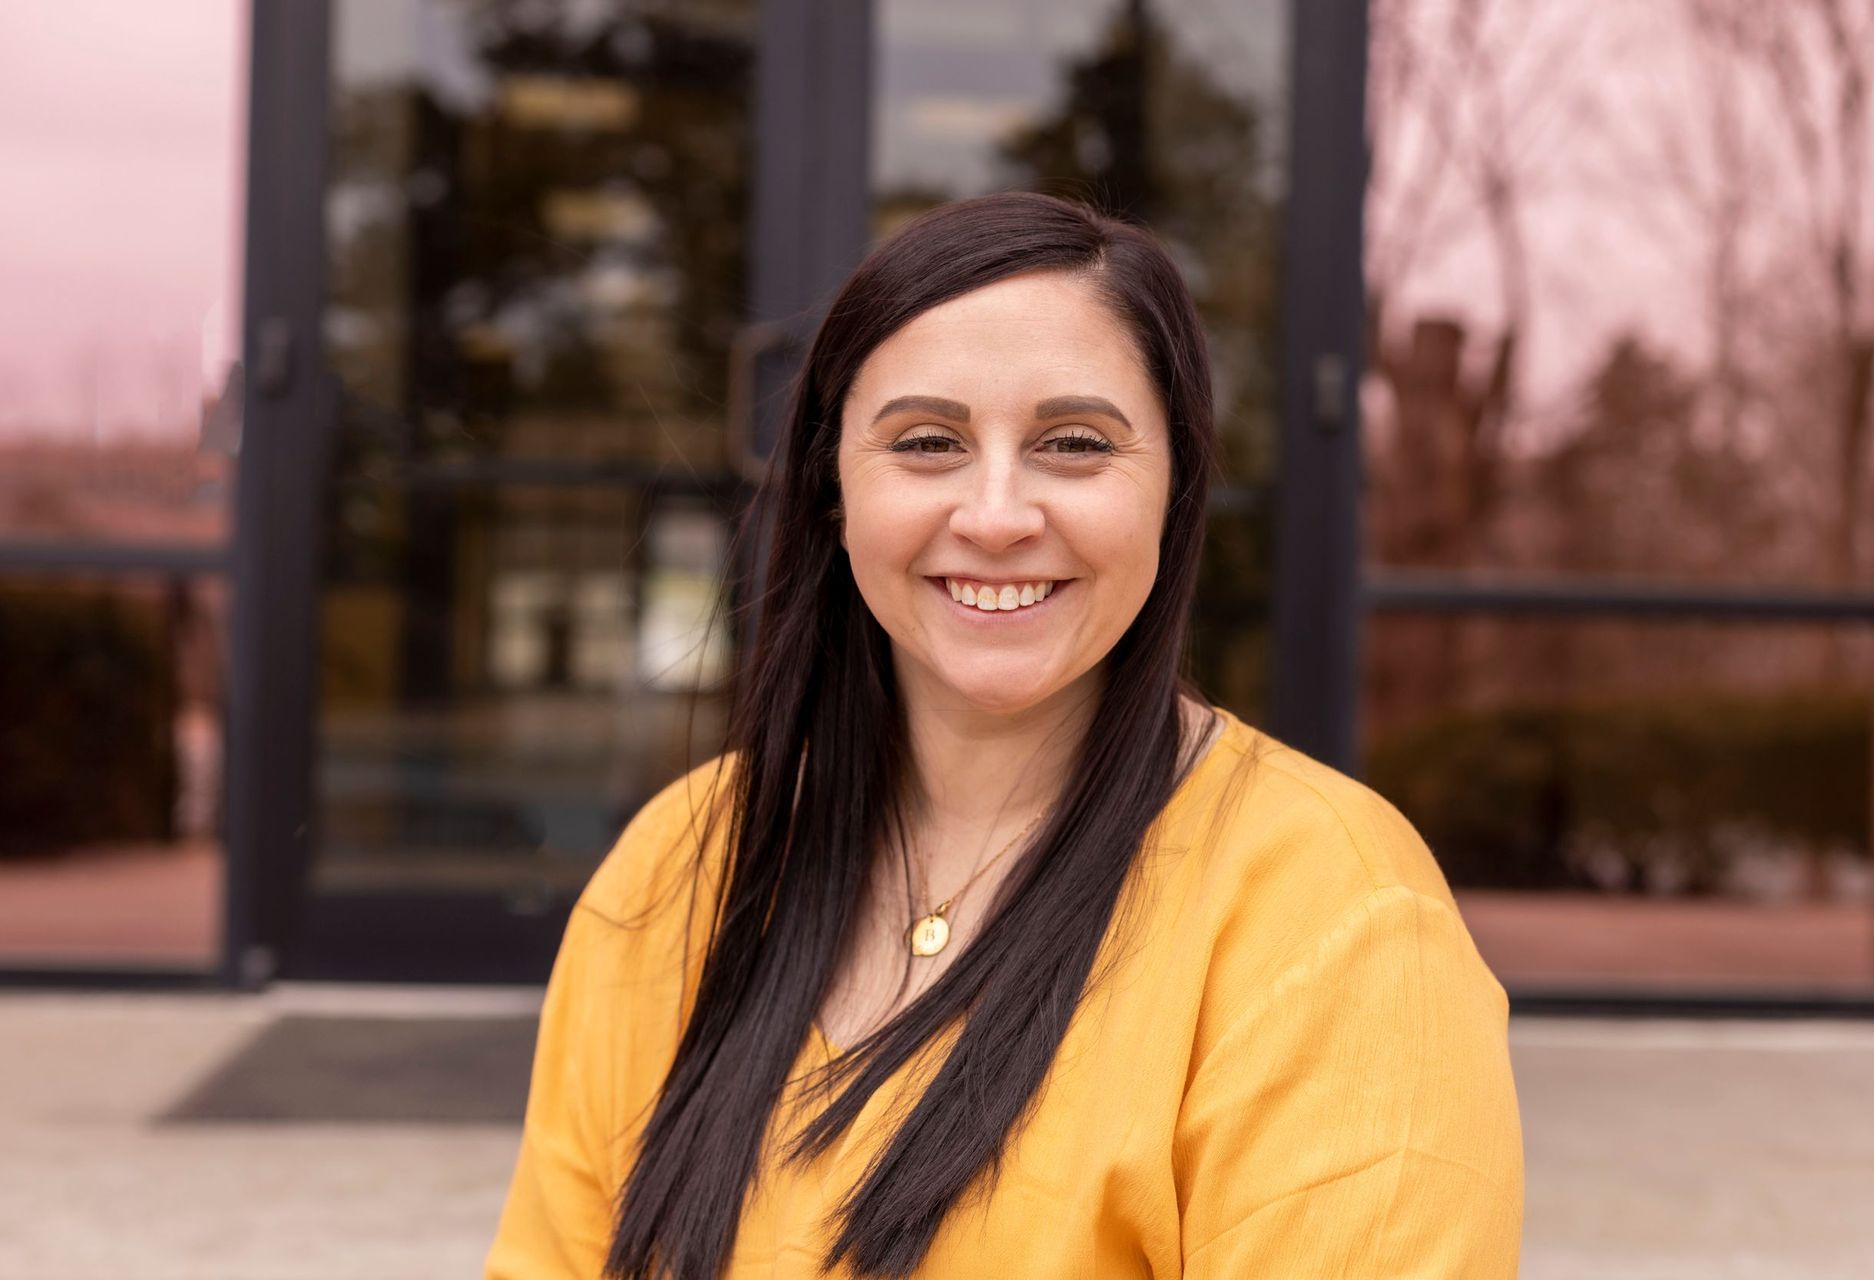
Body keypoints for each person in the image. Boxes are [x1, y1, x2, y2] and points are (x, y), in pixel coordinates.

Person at [485, 191, 1524, 1279]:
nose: (994, 514)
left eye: (1074, 443)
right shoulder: (684, 860)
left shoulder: (1339, 911)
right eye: (926, 441)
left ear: (1172, 488)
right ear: (836, 488)